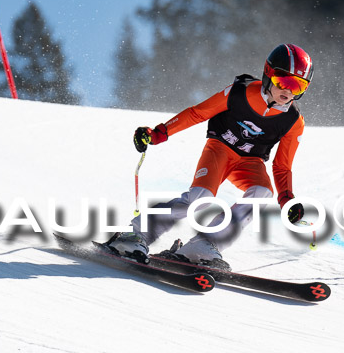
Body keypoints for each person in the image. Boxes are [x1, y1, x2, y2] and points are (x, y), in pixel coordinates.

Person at [107, 43, 314, 270]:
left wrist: (286, 199)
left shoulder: (293, 122)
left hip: (249, 162)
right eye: (283, 81)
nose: (288, 91)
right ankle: (134, 236)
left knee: (262, 194)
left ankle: (204, 245)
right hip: (220, 150)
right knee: (199, 198)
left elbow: (282, 166)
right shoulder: (239, 92)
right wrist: (159, 133)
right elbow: (198, 113)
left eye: (298, 85)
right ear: (268, 73)